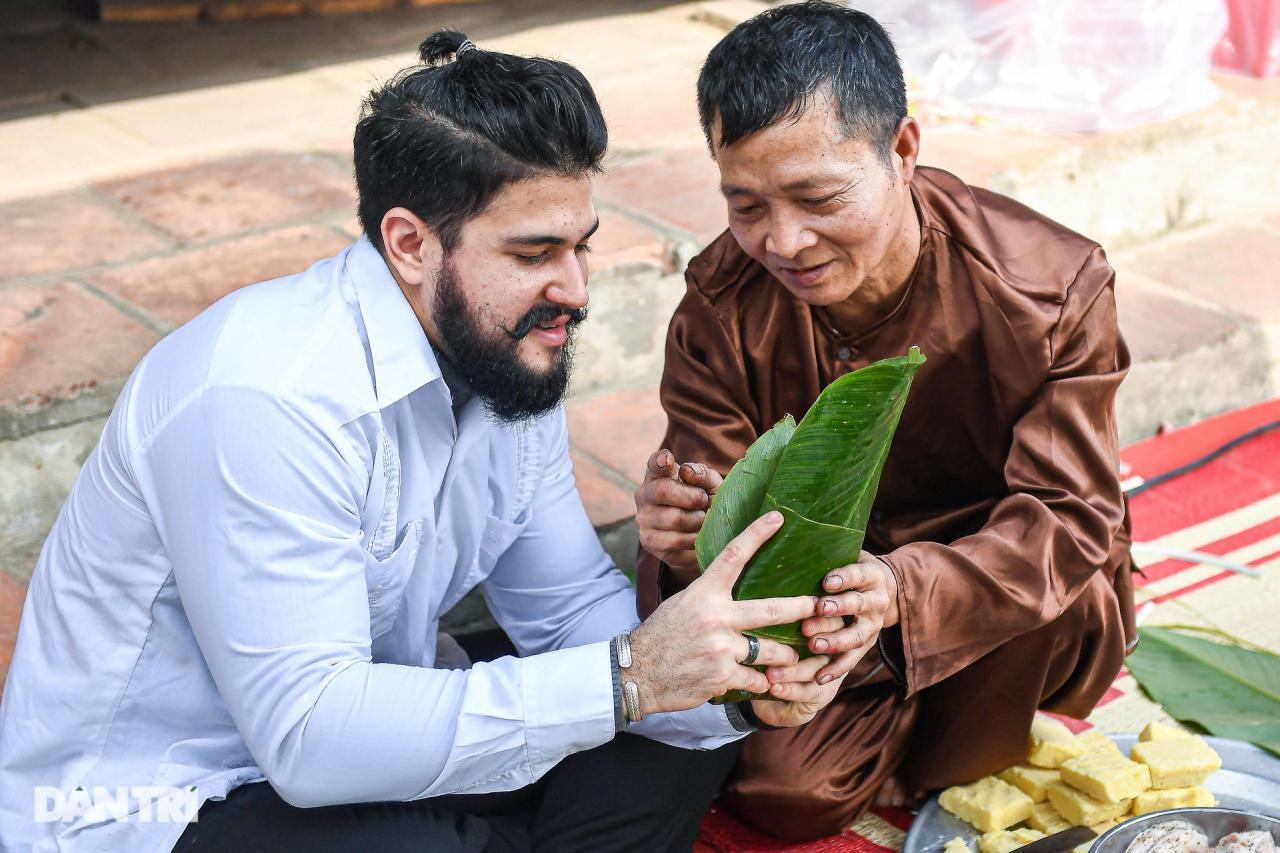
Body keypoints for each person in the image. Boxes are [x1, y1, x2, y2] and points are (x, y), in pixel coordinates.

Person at [0, 32, 848, 853]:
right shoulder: (265, 397)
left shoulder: (510, 349)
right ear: (409, 244)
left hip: (367, 730)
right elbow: (310, 738)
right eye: (534, 252)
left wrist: (734, 679)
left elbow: (564, 613)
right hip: (160, 797)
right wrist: (630, 675)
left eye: (581, 245)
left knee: (675, 743)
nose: (576, 289)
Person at [633, 2, 1138, 840]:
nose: (784, 241)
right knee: (782, 794)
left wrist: (904, 589)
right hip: (822, 598)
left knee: (962, 763)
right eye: (747, 205)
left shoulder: (1049, 287)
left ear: (903, 149)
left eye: (817, 196)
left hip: (990, 581)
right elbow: (718, 515)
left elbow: (1070, 514)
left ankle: (940, 720)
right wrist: (688, 529)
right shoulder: (723, 301)